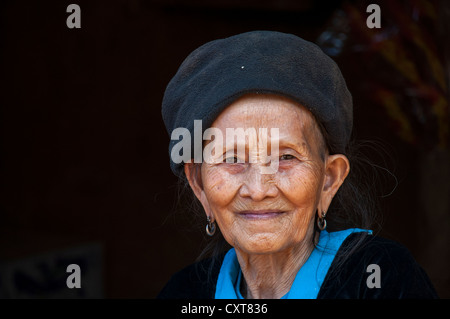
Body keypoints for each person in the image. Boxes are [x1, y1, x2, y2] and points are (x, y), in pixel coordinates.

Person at [157, 31, 438, 299]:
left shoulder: (381, 279)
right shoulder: (186, 292)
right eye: (231, 159)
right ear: (199, 185)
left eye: (286, 157)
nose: (258, 190)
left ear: (329, 179)